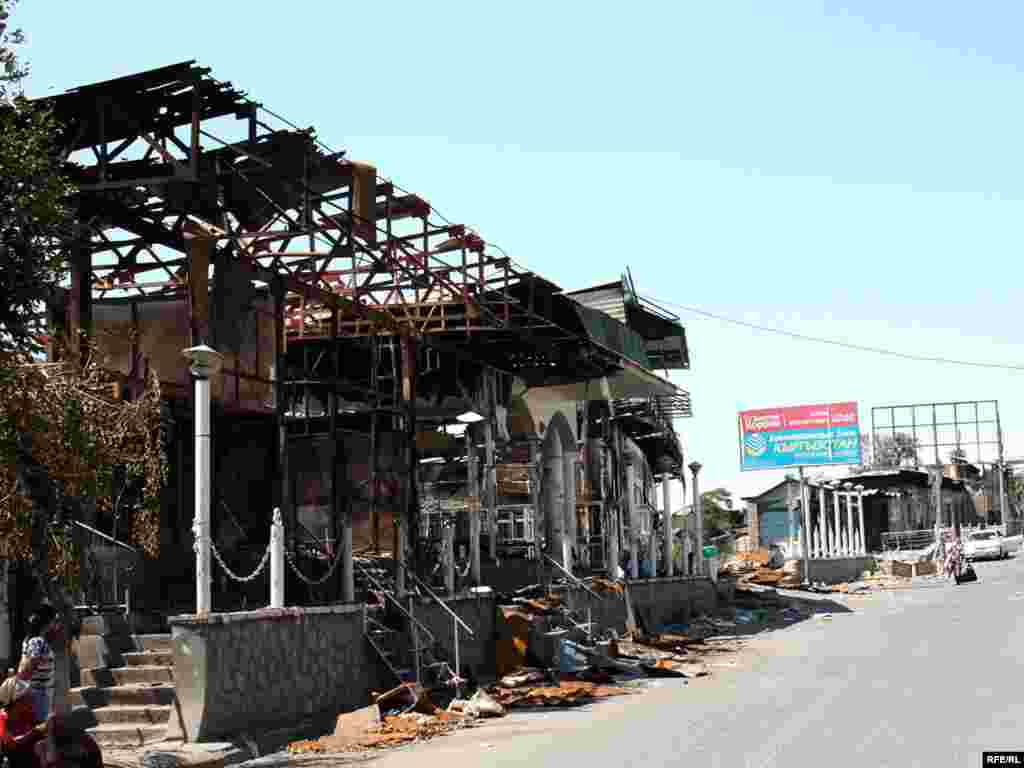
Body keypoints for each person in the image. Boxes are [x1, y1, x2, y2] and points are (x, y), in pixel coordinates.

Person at [17, 606, 59, 724]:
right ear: (48, 622)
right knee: (39, 732)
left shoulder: (31, 640)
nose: (57, 625)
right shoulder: (38, 642)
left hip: (36, 693)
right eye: (55, 620)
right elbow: (30, 665)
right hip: (38, 694)